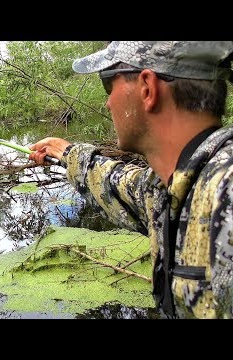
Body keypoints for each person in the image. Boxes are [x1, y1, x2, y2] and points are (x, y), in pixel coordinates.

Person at [29, 41, 233, 319]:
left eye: (108, 83)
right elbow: (120, 186)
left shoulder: (227, 190)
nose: (108, 101)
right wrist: (66, 153)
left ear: (147, 88)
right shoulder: (174, 186)